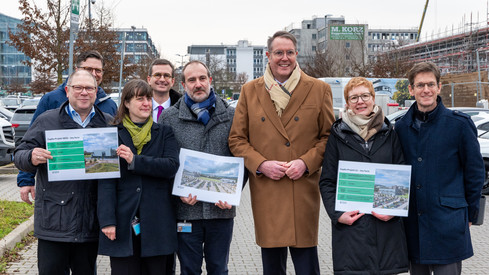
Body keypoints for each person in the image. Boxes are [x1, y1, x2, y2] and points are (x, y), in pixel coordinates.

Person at [228, 31, 335, 275]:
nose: (284, 58)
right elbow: (237, 139)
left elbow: (328, 137)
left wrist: (306, 163)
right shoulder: (249, 90)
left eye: (289, 52)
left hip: (303, 188)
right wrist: (261, 164)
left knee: (307, 264)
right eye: (278, 53)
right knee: (272, 266)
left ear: (296, 54)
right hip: (268, 189)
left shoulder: (319, 89)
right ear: (268, 55)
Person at [13, 70, 113, 275]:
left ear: (96, 92)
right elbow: (19, 154)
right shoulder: (46, 120)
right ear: (67, 91)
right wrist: (31, 156)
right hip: (54, 222)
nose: (84, 92)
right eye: (78, 87)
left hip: (90, 222)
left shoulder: (109, 123)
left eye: (89, 88)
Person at [395, 61, 485, 275]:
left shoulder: (459, 125)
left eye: (430, 84)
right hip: (414, 225)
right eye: (419, 85)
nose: (425, 90)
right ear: (411, 89)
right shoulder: (401, 127)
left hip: (449, 224)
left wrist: (470, 214)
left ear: (439, 87)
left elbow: (475, 172)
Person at [319, 77, 408, 274]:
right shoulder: (337, 135)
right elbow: (327, 181)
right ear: (347, 103)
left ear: (373, 98)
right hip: (352, 229)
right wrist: (337, 215)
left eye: (365, 96)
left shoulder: (389, 132)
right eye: (354, 97)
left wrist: (394, 209)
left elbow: (400, 172)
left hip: (386, 229)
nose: (360, 101)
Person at [159, 60, 235, 275]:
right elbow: (165, 162)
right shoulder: (170, 118)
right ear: (183, 85)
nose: (198, 84)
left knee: (219, 269)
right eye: (191, 80)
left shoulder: (231, 116)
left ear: (210, 80)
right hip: (186, 211)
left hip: (221, 211)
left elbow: (242, 159)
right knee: (189, 270)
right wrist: (178, 192)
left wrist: (234, 193)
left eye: (202, 78)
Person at [97, 79, 180, 275]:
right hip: (123, 221)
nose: (146, 103)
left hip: (158, 222)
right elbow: (105, 181)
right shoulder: (110, 134)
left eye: (149, 98)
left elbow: (170, 166)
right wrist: (107, 221)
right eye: (139, 98)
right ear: (126, 103)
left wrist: (135, 161)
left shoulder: (164, 132)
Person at [17, 50, 117, 204]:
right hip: (60, 194)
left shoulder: (109, 106)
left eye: (98, 70)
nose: (94, 74)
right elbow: (30, 143)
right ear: (77, 70)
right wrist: (26, 179)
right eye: (88, 69)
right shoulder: (51, 100)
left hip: (96, 195)